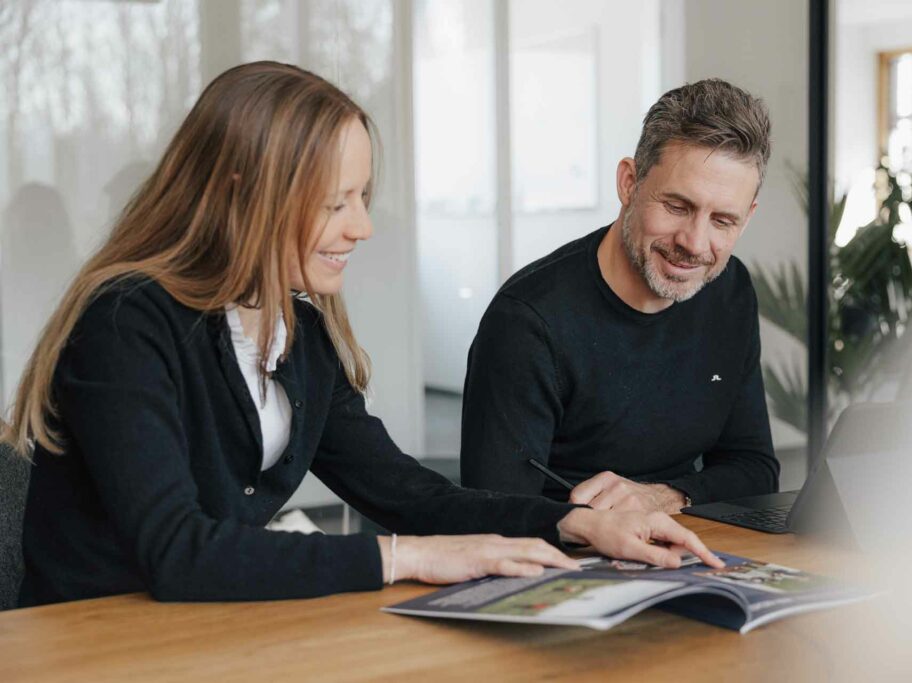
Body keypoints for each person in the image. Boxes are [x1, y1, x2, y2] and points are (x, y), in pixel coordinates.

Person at [2, 61, 722, 608]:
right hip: (93, 643)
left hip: (206, 630)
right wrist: (408, 558)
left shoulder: (297, 332)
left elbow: (408, 492)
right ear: (242, 193)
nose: (363, 226)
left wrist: (573, 522)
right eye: (334, 202)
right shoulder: (126, 322)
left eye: (363, 197)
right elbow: (178, 551)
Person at [461, 79, 779, 513]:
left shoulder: (730, 289)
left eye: (723, 221)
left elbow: (754, 468)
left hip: (687, 538)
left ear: (747, 218)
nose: (694, 243)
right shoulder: (528, 321)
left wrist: (665, 497)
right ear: (629, 183)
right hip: (564, 547)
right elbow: (494, 513)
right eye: (677, 207)